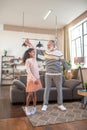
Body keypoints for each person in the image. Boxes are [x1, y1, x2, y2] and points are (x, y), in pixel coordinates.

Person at [42, 40, 72, 111]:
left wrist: (69, 71)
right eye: (47, 44)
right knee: (47, 89)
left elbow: (64, 63)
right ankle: (45, 104)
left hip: (58, 74)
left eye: (49, 44)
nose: (48, 45)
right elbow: (35, 52)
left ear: (54, 45)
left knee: (59, 90)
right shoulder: (46, 52)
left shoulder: (59, 53)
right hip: (48, 74)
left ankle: (60, 104)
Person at [22, 47, 42, 115]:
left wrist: (29, 43)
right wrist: (34, 79)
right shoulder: (28, 60)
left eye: (34, 52)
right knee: (30, 94)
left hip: (37, 79)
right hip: (31, 80)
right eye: (32, 52)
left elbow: (35, 49)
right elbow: (28, 71)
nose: (34, 53)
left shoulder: (34, 59)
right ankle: (27, 108)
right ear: (29, 53)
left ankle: (34, 108)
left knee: (34, 94)